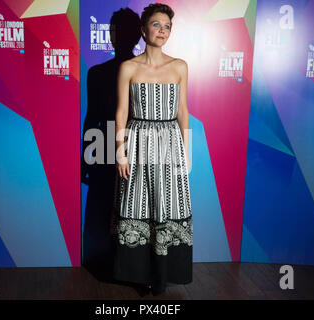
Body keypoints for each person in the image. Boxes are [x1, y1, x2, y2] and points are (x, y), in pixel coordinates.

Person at [110, 3, 193, 297]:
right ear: (143, 30)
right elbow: (121, 111)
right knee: (137, 204)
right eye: (157, 25)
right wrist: (119, 149)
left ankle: (163, 274)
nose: (162, 31)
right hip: (137, 139)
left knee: (167, 204)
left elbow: (183, 111)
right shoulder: (128, 68)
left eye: (167, 26)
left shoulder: (180, 66)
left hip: (169, 141)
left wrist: (186, 149)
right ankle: (138, 273)